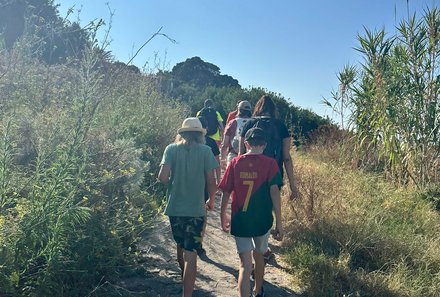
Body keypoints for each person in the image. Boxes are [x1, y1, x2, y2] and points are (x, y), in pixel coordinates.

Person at [219, 127, 283, 297]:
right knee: (260, 254)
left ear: (246, 143)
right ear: (265, 145)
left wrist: (222, 214)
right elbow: (275, 192)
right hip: (262, 221)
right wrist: (279, 222)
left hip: (240, 221)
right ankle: (258, 290)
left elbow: (226, 192)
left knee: (244, 266)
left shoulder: (235, 163)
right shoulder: (271, 164)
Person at [158, 117, 219, 297]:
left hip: (175, 207)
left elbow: (162, 177)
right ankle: (188, 293)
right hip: (195, 209)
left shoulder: (170, 149)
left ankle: (184, 279)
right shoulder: (206, 151)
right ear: (200, 134)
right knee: (191, 252)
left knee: (180, 245)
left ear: (182, 133)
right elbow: (211, 181)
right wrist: (212, 200)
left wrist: (173, 183)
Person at [239, 95, 299, 262]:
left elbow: (240, 155)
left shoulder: (249, 124)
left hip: (248, 174)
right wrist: (293, 187)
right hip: (273, 174)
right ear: (273, 110)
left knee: (250, 207)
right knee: (267, 209)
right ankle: (262, 247)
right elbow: (286, 157)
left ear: (257, 107)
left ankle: (258, 248)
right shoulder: (281, 126)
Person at [197, 116, 221, 256]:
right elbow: (217, 163)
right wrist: (218, 181)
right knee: (202, 213)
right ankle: (199, 242)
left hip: (187, 182)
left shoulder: (181, 143)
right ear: (205, 129)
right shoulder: (210, 142)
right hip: (205, 182)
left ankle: (185, 244)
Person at [221, 100, 252, 168]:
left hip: (234, 155)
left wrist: (223, 159)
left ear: (239, 110)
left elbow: (225, 144)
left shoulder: (232, 122)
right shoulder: (254, 122)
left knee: (231, 177)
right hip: (251, 156)